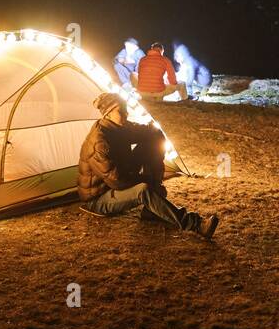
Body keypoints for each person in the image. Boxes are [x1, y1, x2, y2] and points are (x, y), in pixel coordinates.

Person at [78, 93, 218, 239]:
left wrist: (156, 134)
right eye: (120, 111)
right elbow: (117, 181)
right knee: (143, 190)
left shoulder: (120, 127)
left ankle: (151, 210)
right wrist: (146, 180)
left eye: (126, 109)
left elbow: (150, 132)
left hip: (117, 180)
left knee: (152, 140)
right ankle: (195, 224)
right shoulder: (99, 143)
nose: (126, 114)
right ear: (107, 114)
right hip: (99, 199)